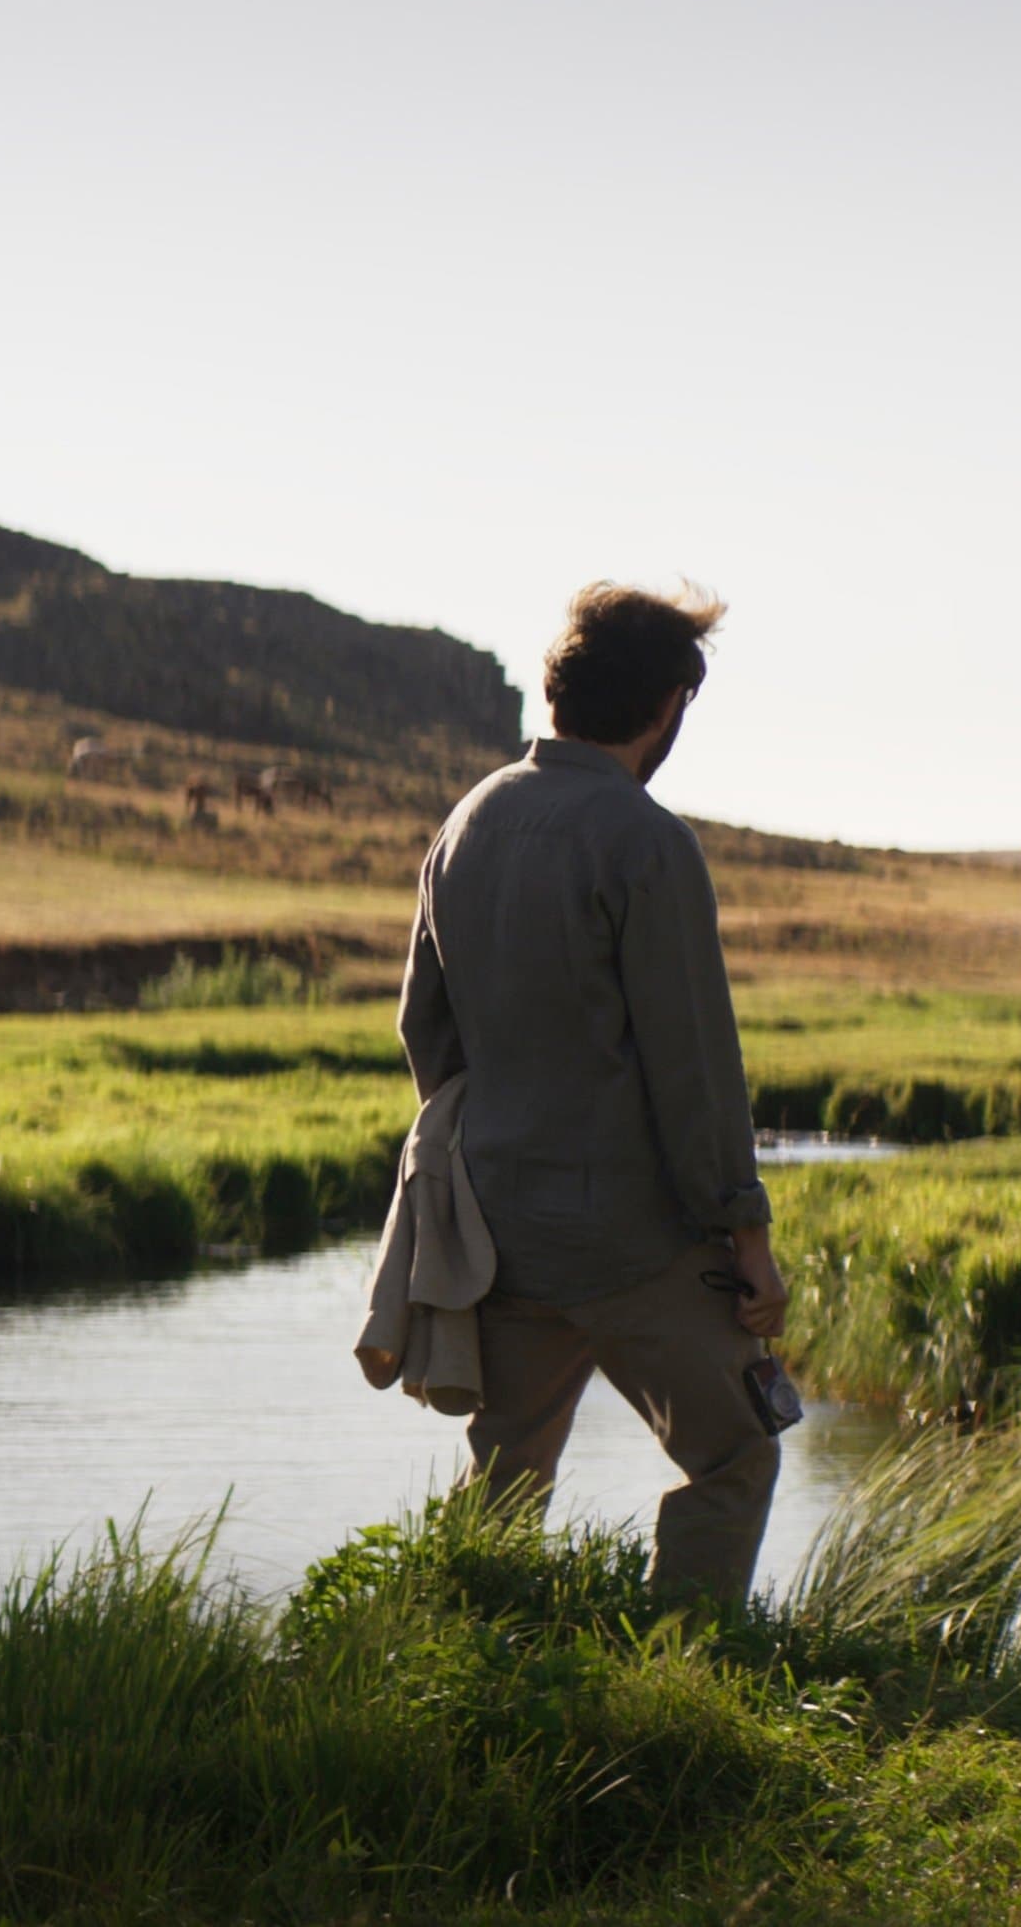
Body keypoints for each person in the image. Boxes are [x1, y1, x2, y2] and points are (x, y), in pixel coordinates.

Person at [396, 582, 785, 1609]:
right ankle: (683, 1681)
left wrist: (493, 1149)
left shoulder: (469, 821)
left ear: (557, 690)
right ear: (667, 708)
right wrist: (744, 1235)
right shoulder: (647, 842)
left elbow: (421, 1029)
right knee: (735, 1456)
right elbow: (694, 1068)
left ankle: (459, 1663)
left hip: (503, 1234)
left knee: (504, 1477)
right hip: (629, 1243)